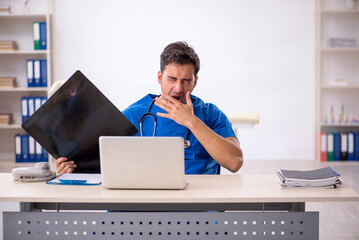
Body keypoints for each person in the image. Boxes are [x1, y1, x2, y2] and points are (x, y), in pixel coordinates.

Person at [56, 41, 243, 174]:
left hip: (198, 208)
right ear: (159, 77)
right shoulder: (133, 115)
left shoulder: (210, 115)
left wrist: (191, 122)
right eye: (172, 79)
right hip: (145, 207)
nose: (178, 88)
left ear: (195, 82)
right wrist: (72, 169)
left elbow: (234, 162)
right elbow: (101, 169)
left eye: (186, 80)